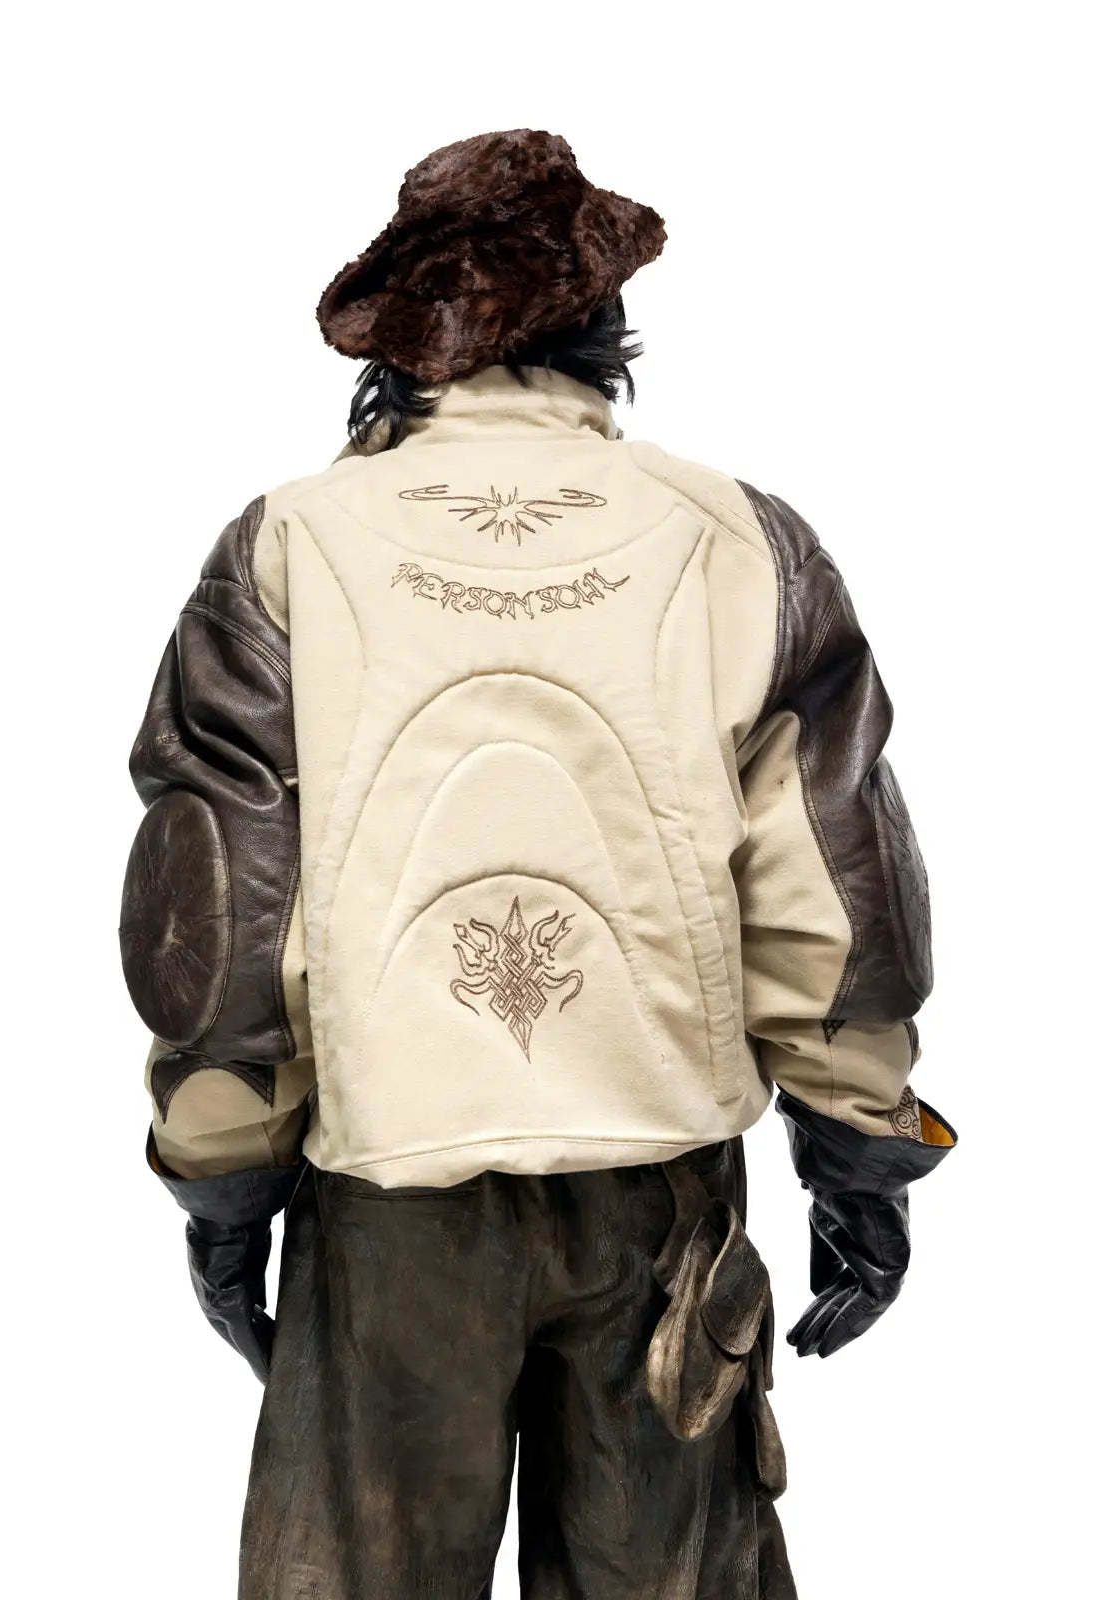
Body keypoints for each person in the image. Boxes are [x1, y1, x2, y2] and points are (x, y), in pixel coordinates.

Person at [119, 128, 957, 1599]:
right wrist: (859, 1152)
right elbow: (832, 876)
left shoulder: (287, 544)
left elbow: (219, 897)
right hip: (660, 1198)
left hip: (388, 1198)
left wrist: (225, 1175)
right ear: (603, 323)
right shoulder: (736, 536)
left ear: (404, 333)